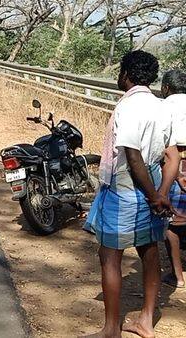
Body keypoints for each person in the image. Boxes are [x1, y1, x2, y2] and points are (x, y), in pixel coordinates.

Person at [83, 50, 172, 338]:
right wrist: (160, 191)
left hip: (129, 185)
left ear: (127, 74)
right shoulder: (162, 106)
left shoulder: (129, 106)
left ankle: (111, 329)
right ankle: (146, 320)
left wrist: (152, 195)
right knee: (149, 250)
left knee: (109, 255)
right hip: (154, 178)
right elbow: (168, 153)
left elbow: (132, 155)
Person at [160, 69, 186, 289]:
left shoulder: (164, 107)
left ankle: (177, 276)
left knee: (172, 224)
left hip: (177, 163)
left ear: (166, 88)